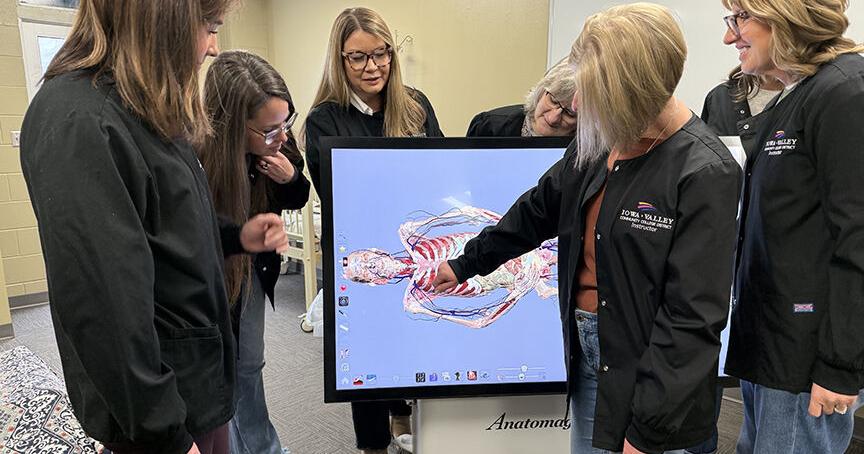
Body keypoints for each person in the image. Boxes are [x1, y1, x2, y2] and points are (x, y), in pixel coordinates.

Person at [433, 3, 741, 453]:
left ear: (633, 89)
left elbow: (691, 319)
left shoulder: (704, 171)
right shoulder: (603, 138)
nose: (576, 106)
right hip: (590, 356)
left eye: (591, 91)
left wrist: (647, 430)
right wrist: (464, 264)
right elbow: (537, 210)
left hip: (655, 379)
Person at [19, 1, 289, 453]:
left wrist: (235, 236)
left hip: (193, 387)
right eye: (208, 26)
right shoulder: (82, 121)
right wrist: (168, 436)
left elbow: (171, 222)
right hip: (165, 413)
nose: (211, 47)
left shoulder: (139, 103)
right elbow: (102, 307)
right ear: (162, 18)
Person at [720, 1, 864, 452]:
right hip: (769, 350)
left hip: (806, 365)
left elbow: (858, 239)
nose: (730, 37)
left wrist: (840, 366)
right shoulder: (800, 93)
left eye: (740, 18)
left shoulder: (846, 92)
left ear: (785, 15)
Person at [304, 7, 443, 454]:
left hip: (415, 246)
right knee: (365, 354)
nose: (373, 67)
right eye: (359, 57)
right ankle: (373, 445)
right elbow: (335, 191)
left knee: (410, 338)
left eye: (381, 54)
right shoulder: (325, 119)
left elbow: (439, 171)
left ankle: (404, 420)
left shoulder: (416, 106)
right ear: (339, 59)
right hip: (360, 253)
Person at [200, 50, 311, 454]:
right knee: (220, 375)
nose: (281, 137)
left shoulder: (277, 135)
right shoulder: (198, 154)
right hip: (210, 278)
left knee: (249, 367)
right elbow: (196, 233)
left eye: (286, 124)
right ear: (231, 127)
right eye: (268, 131)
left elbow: (299, 197)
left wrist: (291, 175)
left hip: (253, 273)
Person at [684, 66, 782, 454]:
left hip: (788, 284)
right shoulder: (722, 99)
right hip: (729, 266)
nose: (731, 35)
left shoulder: (818, 97)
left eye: (742, 18)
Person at [466, 62, 578, 137]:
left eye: (569, 113)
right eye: (553, 100)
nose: (553, 118)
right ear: (540, 92)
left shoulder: (587, 150)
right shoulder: (489, 126)